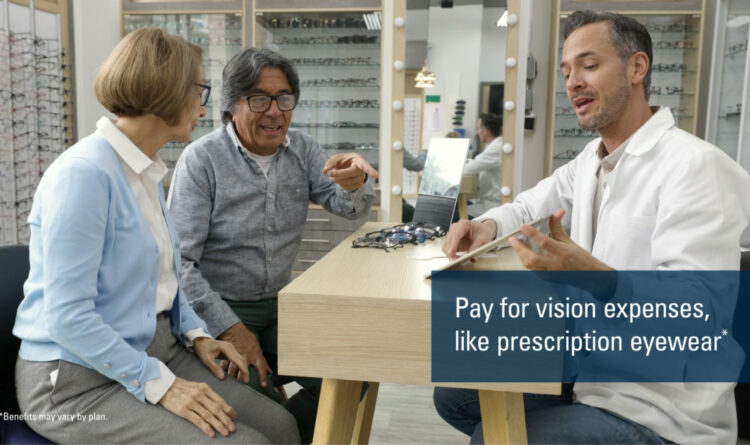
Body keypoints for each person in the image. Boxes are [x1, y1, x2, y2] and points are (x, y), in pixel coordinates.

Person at [434, 10, 750, 445]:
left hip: (662, 411)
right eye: (566, 71)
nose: (572, 82)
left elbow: (697, 313)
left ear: (637, 68)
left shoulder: (697, 168)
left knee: (492, 438)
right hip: (594, 379)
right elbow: (529, 204)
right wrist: (487, 225)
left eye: (589, 65)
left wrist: (600, 281)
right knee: (455, 395)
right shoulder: (593, 161)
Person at [12, 28, 299, 444]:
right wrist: (162, 384)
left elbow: (165, 277)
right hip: (74, 384)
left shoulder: (145, 169)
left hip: (154, 351)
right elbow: (66, 317)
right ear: (166, 91)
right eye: (199, 91)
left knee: (281, 426)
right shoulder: (83, 175)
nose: (203, 109)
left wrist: (197, 333)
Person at [167, 47, 377, 443]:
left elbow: (348, 209)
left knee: (354, 371)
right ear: (232, 105)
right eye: (259, 99)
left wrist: (356, 183)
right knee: (262, 415)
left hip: (282, 306)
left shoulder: (303, 149)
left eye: (284, 98)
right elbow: (180, 264)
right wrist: (230, 329)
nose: (275, 111)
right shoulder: (202, 160)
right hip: (218, 311)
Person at [463, 113, 502, 216]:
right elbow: (478, 163)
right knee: (459, 205)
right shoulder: (493, 146)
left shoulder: (496, 148)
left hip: (492, 206)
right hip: (486, 202)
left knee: (456, 213)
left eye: (478, 129)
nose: (477, 132)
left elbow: (468, 169)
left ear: (485, 131)